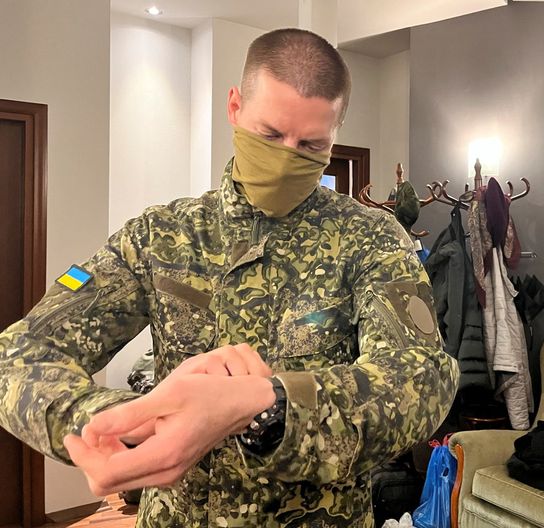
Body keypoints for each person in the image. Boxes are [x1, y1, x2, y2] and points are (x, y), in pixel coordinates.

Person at [0, 28, 458, 527]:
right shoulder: (159, 235)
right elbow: (20, 355)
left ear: (336, 132)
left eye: (310, 145)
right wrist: (124, 424)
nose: (287, 156)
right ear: (235, 107)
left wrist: (266, 403)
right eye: (270, 135)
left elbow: (419, 379)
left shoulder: (372, 238)